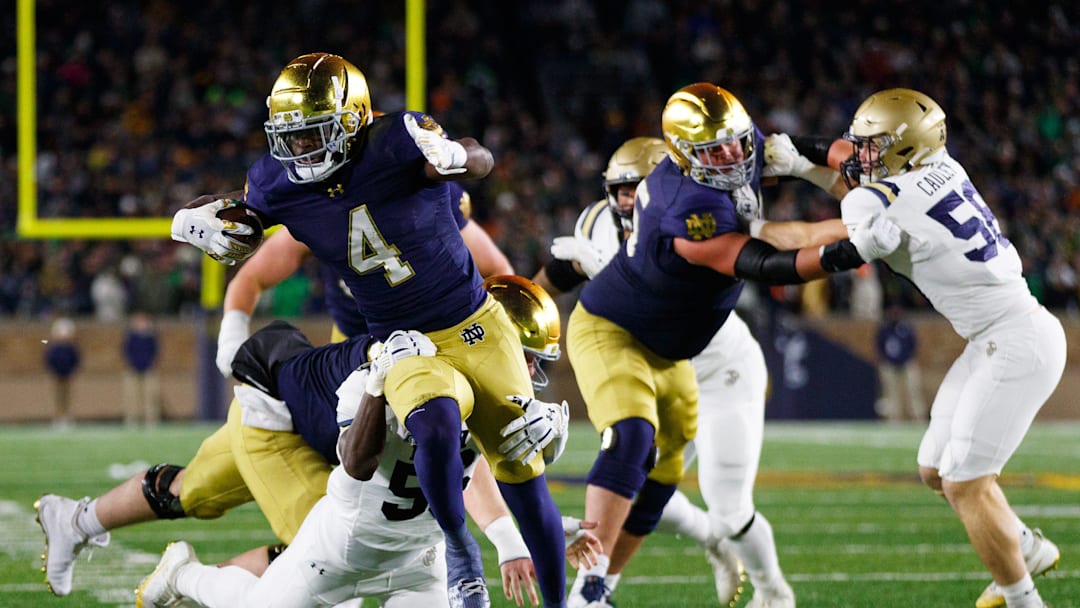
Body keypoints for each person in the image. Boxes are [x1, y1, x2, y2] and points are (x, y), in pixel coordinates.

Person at [171, 52, 567, 607]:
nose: (302, 150)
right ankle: (460, 550)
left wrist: (458, 154)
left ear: (353, 119)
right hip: (403, 341)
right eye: (293, 137)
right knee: (434, 426)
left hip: (476, 324)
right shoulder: (278, 179)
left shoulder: (396, 138)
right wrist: (201, 219)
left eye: (315, 134)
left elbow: (479, 159)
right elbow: (244, 218)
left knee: (525, 473)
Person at [560, 83, 899, 607]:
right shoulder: (685, 208)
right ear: (680, 155)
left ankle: (603, 586)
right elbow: (766, 262)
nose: (733, 157)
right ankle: (587, 590)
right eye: (715, 151)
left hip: (677, 349)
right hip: (615, 331)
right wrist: (848, 248)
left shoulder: (727, 146)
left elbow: (792, 147)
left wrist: (847, 158)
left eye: (736, 144)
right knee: (631, 437)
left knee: (663, 478)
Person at [32, 275, 562, 602]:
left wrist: (525, 509)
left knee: (190, 491)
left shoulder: (449, 303)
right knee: (320, 575)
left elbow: (468, 464)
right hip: (286, 417)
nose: (526, 374)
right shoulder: (405, 358)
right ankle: (192, 579)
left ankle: (75, 520)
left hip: (387, 516)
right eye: (525, 359)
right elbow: (373, 454)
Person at [772, 88, 1064, 608]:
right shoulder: (944, 165)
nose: (858, 152)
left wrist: (752, 228)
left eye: (873, 144)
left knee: (965, 483)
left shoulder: (878, 198)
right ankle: (1020, 543)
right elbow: (864, 183)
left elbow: (813, 232)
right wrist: (798, 160)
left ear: (904, 148)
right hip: (1001, 335)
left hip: (1016, 341)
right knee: (934, 470)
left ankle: (1023, 598)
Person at [535, 136, 796, 607]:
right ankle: (597, 591)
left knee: (730, 508)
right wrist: (515, 314)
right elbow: (555, 277)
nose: (629, 199)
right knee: (630, 468)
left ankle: (773, 592)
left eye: (639, 186)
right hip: (655, 363)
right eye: (621, 188)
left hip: (719, 369)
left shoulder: (702, 218)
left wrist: (611, 270)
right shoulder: (597, 222)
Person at [215, 181, 513, 377]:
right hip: (356, 344)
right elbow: (250, 279)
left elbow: (499, 272)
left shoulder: (428, 193)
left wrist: (492, 335)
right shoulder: (324, 209)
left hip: (434, 337)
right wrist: (231, 336)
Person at [874, 303, 928, 422]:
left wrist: (907, 359)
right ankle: (894, 418)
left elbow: (914, 346)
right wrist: (886, 360)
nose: (895, 315)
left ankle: (917, 417)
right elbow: (879, 347)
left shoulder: (906, 329)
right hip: (889, 364)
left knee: (913, 390)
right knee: (891, 393)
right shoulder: (884, 329)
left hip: (906, 363)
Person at [122, 311, 162, 427]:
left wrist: (152, 364)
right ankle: (132, 418)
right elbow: (126, 352)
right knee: (132, 396)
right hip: (133, 370)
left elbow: (156, 353)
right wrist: (131, 364)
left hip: (149, 369)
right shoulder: (130, 337)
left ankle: (151, 419)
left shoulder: (151, 337)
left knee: (151, 395)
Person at [44, 316, 80, 430]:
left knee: (67, 398)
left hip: (67, 376)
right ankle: (57, 418)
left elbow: (76, 360)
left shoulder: (71, 348)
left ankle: (66, 418)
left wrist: (72, 371)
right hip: (56, 376)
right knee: (56, 398)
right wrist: (53, 372)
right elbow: (49, 361)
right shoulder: (53, 348)